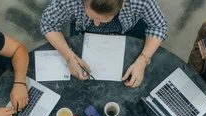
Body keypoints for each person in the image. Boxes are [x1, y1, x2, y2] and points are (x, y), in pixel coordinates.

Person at [40, 0, 168, 87]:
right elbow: (48, 23)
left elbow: (158, 26)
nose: (96, 24)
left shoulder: (141, 1)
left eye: (103, 19)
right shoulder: (69, 1)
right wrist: (69, 57)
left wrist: (143, 59)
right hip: (83, 33)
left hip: (130, 31)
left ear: (122, 4)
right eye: (91, 16)